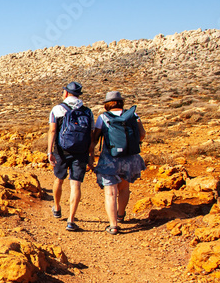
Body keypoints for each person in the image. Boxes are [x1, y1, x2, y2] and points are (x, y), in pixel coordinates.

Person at [88, 90, 147, 234]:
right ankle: (121, 215)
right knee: (124, 187)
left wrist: (90, 156)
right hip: (130, 158)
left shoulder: (103, 117)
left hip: (110, 159)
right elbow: (142, 134)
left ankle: (113, 225)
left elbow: (95, 139)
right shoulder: (133, 115)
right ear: (121, 102)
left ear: (107, 104)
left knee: (110, 192)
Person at [47, 81, 93, 232]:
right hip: (81, 152)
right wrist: (91, 155)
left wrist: (50, 151)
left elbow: (53, 131)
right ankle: (71, 220)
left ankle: (57, 207)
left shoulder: (57, 109)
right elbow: (91, 135)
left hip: (62, 150)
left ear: (66, 93)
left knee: (58, 179)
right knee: (76, 185)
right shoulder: (87, 111)